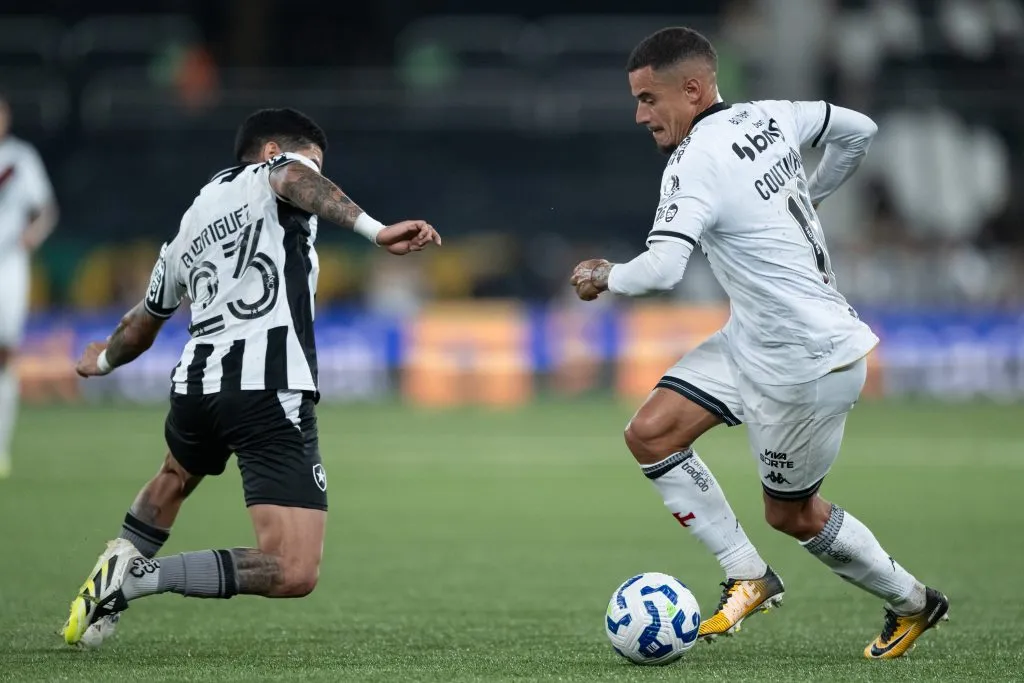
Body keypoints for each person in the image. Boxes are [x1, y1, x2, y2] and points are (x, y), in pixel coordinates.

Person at [570, 27, 948, 659]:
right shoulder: (768, 115)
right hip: (758, 337)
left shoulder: (693, 163)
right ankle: (750, 575)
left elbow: (662, 270)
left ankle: (914, 602)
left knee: (793, 515)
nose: (639, 115)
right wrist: (812, 194)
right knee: (651, 433)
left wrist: (605, 274)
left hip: (807, 361)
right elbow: (859, 129)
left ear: (691, 89)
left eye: (647, 98)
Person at [62, 108, 441, 647]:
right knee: (293, 569)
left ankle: (106, 584)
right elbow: (294, 177)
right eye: (316, 166)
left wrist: (101, 362)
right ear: (271, 151)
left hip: (196, 386)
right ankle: (140, 577)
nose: (315, 180)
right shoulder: (279, 171)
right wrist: (376, 231)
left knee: (175, 474)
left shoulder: (189, 223)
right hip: (266, 383)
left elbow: (142, 324)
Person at [0, 95, 59, 478]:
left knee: (5, 355)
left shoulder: (20, 158)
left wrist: (31, 237)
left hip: (8, 265)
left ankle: (0, 446)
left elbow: (46, 210)